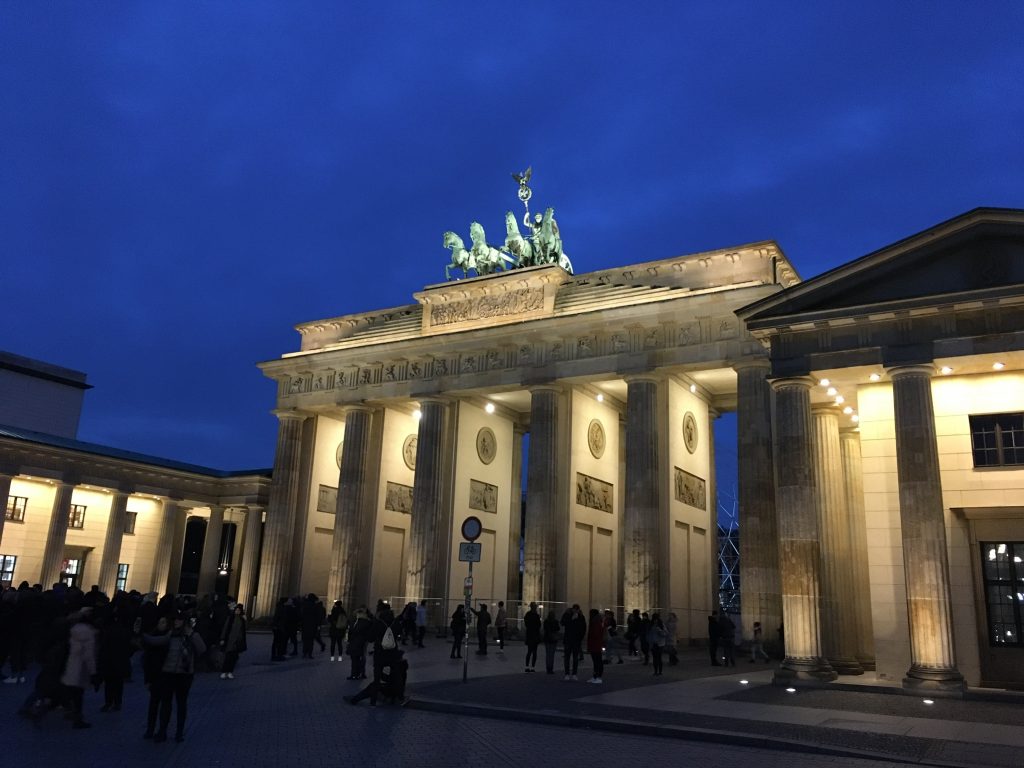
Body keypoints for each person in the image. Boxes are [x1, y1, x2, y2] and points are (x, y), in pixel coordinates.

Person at [143, 611, 206, 743]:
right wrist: (142, 634)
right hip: (169, 673)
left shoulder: (192, 635)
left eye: (179, 620)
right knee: (166, 704)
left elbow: (202, 649)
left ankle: (179, 732)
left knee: (181, 704)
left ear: (184, 621)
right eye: (175, 620)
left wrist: (192, 635)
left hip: (184, 675)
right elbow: (157, 641)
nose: (176, 622)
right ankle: (162, 731)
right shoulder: (171, 634)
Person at [60, 608, 97, 729]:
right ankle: (77, 718)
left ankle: (69, 711)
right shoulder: (88, 632)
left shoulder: (70, 629)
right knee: (78, 694)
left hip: (69, 663)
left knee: (69, 691)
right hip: (81, 667)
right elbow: (89, 654)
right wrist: (93, 671)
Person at [140, 616, 169, 739]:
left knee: (164, 705)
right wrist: (148, 679)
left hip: (167, 675)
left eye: (164, 622)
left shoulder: (168, 638)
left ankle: (162, 730)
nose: (161, 624)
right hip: (156, 675)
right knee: (154, 704)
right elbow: (147, 661)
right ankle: (150, 729)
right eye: (160, 622)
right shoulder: (154, 638)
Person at [218, 604, 247, 679]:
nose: (237, 611)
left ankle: (230, 672)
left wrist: (246, 620)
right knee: (227, 657)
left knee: (234, 658)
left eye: (239, 610)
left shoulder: (242, 619)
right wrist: (222, 639)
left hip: (237, 642)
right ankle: (224, 672)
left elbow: (245, 630)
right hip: (229, 641)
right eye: (236, 610)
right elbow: (225, 628)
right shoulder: (230, 618)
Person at [560, 604, 586, 680]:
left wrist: (580, 638)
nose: (575, 611)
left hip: (576, 640)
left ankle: (574, 673)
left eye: (577, 610)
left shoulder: (581, 617)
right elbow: (562, 623)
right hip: (568, 639)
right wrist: (571, 618)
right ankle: (567, 674)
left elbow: (583, 628)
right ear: (572, 609)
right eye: (574, 609)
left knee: (575, 658)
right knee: (567, 658)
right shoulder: (567, 614)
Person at [346, 607, 370, 679]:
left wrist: (347, 641)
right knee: (362, 658)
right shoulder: (367, 622)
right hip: (363, 643)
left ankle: (354, 674)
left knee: (354, 659)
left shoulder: (354, 622)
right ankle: (362, 673)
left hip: (354, 642)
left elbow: (349, 632)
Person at [585, 609, 605, 684]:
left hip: (595, 644)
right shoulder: (597, 621)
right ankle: (595, 676)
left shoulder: (595, 622)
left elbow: (596, 634)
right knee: (596, 661)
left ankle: (598, 676)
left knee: (597, 661)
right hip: (595, 644)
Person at [522, 602, 541, 672]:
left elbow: (526, 623)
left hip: (530, 634)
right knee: (534, 652)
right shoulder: (536, 615)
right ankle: (532, 667)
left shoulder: (528, 614)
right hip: (535, 635)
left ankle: (527, 666)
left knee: (529, 651)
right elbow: (539, 625)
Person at [542, 610, 560, 674]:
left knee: (548, 654)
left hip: (547, 639)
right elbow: (558, 628)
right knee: (552, 655)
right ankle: (551, 668)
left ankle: (548, 668)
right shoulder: (555, 621)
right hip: (553, 639)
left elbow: (545, 629)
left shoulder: (546, 621)